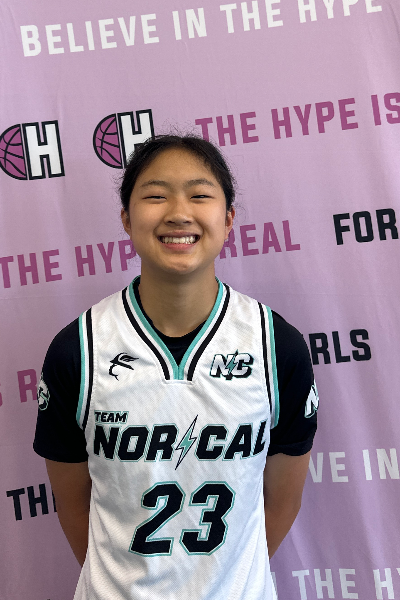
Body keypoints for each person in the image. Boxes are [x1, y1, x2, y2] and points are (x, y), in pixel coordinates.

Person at [33, 134, 318, 600]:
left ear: (228, 219)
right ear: (127, 219)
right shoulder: (78, 350)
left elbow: (283, 500)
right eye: (156, 196)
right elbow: (72, 505)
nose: (179, 213)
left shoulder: (275, 346)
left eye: (200, 195)